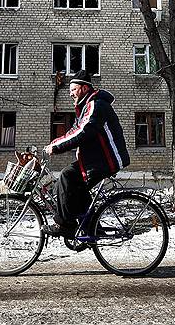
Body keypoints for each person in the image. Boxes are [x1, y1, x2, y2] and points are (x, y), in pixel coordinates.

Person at [43, 70, 130, 237]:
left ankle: (66, 225)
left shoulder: (95, 105)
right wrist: (55, 143)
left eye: (73, 90)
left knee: (66, 177)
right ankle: (91, 228)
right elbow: (75, 130)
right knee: (76, 188)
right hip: (97, 158)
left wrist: (57, 147)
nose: (70, 94)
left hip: (107, 159)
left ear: (83, 88)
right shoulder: (85, 106)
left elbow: (83, 132)